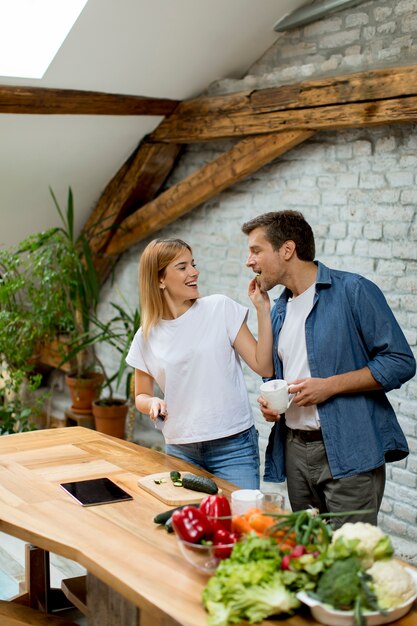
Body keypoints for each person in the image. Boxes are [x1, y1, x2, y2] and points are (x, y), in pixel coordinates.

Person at [241, 210, 416, 525]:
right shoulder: (279, 309)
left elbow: (400, 362)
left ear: (287, 250)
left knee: (351, 556)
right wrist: (273, 405)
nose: (249, 261)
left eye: (256, 251)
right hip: (294, 450)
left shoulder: (353, 291)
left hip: (348, 449)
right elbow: (275, 376)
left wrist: (330, 385)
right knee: (309, 552)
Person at [126, 237, 273, 489]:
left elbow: (263, 366)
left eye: (192, 264)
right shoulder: (147, 335)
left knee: (240, 523)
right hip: (181, 449)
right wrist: (152, 402)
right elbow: (141, 394)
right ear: (159, 279)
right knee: (189, 525)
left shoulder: (219, 309)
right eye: (182, 267)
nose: (194, 272)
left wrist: (262, 309)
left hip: (233, 447)